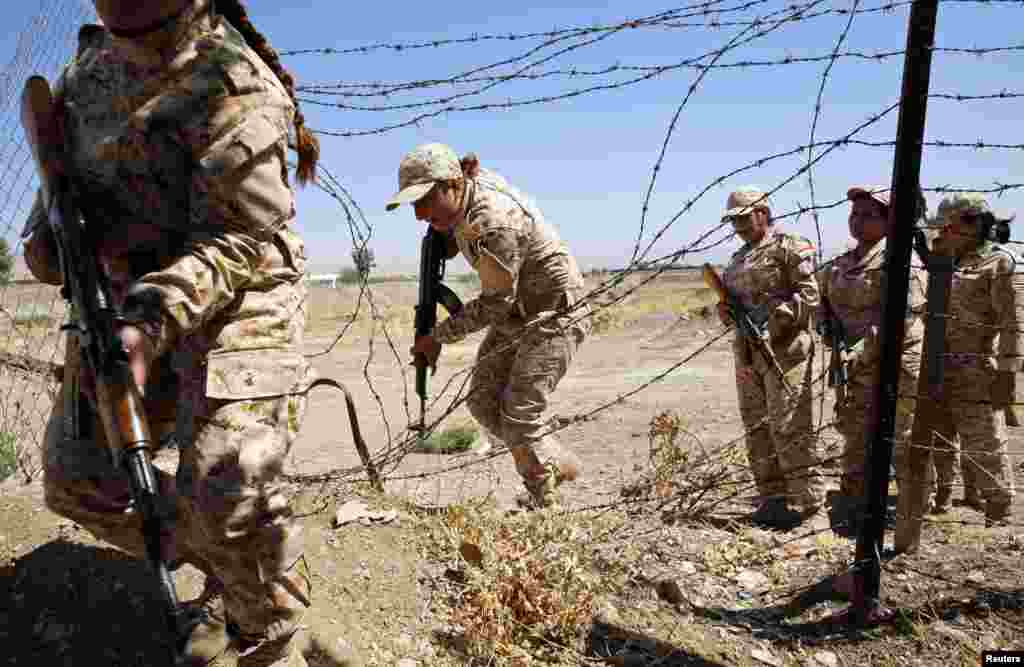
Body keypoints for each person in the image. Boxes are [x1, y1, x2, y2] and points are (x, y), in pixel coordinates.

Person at [22, 1, 360, 665]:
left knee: (224, 487)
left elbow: (241, 239)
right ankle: (233, 563)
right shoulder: (86, 73)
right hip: (124, 292)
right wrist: (52, 247)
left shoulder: (233, 83)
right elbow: (55, 210)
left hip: (242, 280)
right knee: (74, 479)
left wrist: (149, 320)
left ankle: (268, 625)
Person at [386, 143, 588, 509]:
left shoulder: (494, 220)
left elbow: (496, 302)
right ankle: (552, 460)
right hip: (520, 314)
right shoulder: (465, 194)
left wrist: (438, 338)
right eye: (413, 205)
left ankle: (548, 507)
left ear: (451, 185)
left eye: (424, 201)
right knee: (482, 400)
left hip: (553, 313)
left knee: (518, 416)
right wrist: (446, 238)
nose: (418, 215)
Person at [816, 186, 928, 531]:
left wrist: (862, 347)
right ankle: (856, 506)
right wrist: (827, 328)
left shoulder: (902, 260)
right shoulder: (841, 263)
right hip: (853, 364)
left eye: (869, 215)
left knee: (899, 436)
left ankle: (909, 512)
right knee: (855, 430)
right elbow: (822, 306)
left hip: (896, 363)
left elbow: (902, 318)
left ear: (890, 220)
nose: (858, 221)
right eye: (854, 214)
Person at [718, 187, 827, 531]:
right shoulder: (737, 262)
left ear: (763, 213)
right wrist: (727, 312)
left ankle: (810, 505)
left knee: (790, 426)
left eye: (744, 218)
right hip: (749, 354)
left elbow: (810, 295)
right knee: (757, 427)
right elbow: (732, 310)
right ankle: (773, 500)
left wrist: (780, 317)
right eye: (734, 221)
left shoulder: (790, 246)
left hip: (786, 351)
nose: (739, 226)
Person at [916, 192, 1019, 526]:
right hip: (938, 363)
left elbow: (1013, 324)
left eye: (948, 227)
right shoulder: (947, 260)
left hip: (977, 365)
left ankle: (999, 508)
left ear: (972, 225)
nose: (941, 234)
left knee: (983, 438)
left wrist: (1007, 373)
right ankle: (943, 495)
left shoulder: (1001, 262)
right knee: (940, 434)